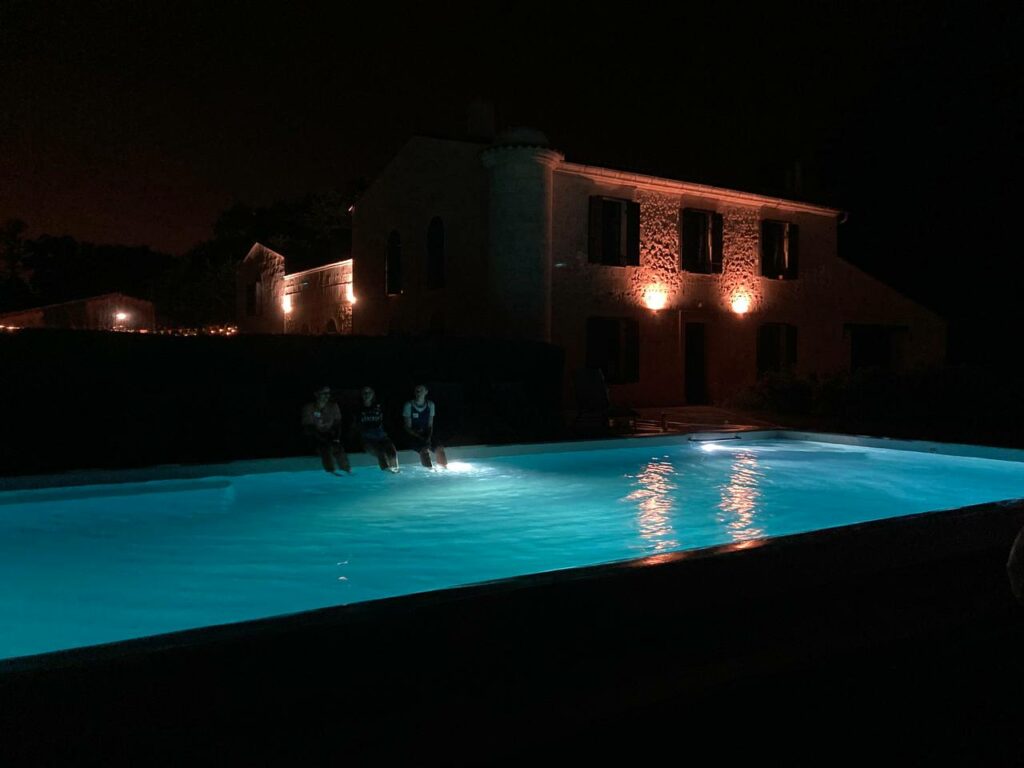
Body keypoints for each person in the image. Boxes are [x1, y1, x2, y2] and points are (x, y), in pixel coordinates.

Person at [301, 385, 351, 474]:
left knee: (338, 447)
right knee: (325, 448)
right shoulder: (309, 408)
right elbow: (309, 428)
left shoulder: (333, 406)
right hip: (314, 438)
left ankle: (347, 471)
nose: (327, 396)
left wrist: (336, 438)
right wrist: (323, 440)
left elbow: (337, 425)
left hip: (329, 436)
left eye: (328, 393)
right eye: (324, 393)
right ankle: (331, 471)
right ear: (316, 394)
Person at [402, 383, 448, 469]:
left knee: (440, 449)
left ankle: (444, 470)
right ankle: (429, 472)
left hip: (426, 434)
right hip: (413, 435)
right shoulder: (409, 405)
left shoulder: (430, 405)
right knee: (424, 451)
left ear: (426, 392)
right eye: (416, 390)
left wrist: (428, 437)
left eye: (421, 390)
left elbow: (430, 425)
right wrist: (420, 437)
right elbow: (407, 427)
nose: (418, 392)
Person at [355, 386, 399, 472]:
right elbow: (356, 426)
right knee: (380, 453)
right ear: (361, 394)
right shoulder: (357, 409)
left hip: (382, 437)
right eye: (364, 393)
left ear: (373, 394)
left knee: (392, 452)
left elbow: (386, 421)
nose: (367, 395)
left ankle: (396, 473)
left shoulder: (379, 407)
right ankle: (387, 473)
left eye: (369, 392)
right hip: (367, 440)